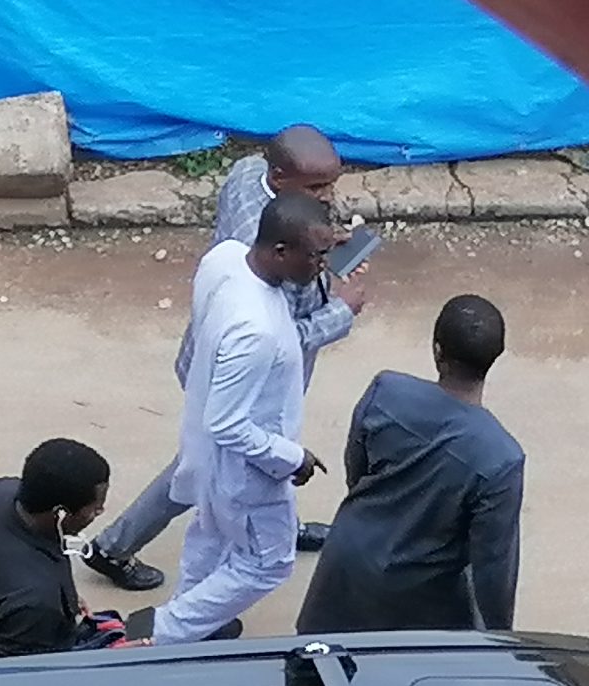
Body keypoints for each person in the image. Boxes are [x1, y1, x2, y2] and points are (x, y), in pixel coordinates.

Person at [86, 125, 369, 590]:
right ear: (279, 180)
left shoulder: (249, 173)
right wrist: (343, 310)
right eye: (316, 188)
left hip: (229, 354)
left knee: (267, 449)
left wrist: (320, 239)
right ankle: (115, 546)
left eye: (330, 184)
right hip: (248, 369)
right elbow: (277, 336)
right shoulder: (258, 276)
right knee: (203, 465)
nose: (329, 196)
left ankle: (281, 524)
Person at [149, 193, 337, 643]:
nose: (322, 268)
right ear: (280, 251)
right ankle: (164, 633)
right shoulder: (255, 331)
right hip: (248, 472)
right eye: (316, 256)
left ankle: (190, 620)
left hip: (209, 457)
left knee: (210, 539)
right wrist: (293, 457)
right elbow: (228, 424)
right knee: (268, 562)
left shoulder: (225, 258)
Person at [297, 295, 524, 634]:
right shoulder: (502, 458)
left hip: (346, 569)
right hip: (422, 599)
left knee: (319, 672)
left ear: (436, 350)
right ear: (496, 356)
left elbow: (355, 470)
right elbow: (493, 567)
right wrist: (499, 637)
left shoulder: (386, 390)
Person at [0, 439, 113, 664]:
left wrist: (64, 599)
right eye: (94, 509)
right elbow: (21, 680)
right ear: (60, 513)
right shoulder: (35, 601)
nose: (100, 511)